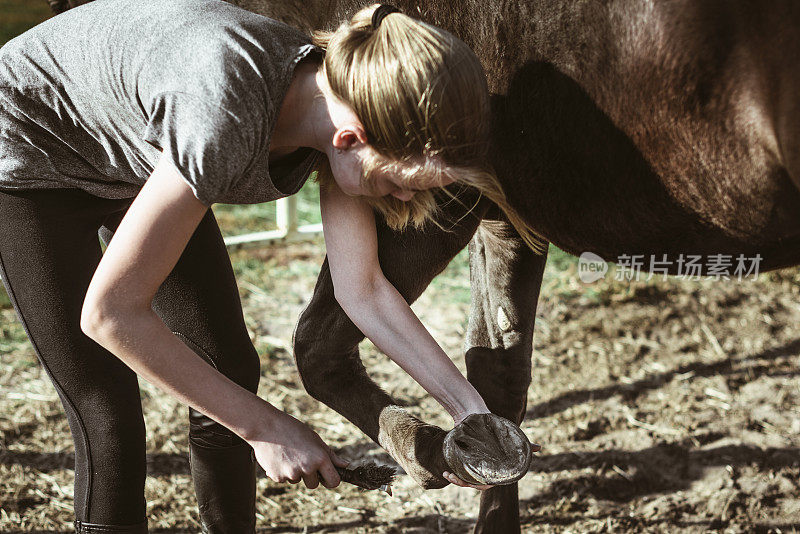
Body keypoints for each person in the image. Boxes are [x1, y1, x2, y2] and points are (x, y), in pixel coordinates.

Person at [0, 1, 540, 532]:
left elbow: (365, 291)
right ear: (352, 138)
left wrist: (468, 411)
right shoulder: (223, 118)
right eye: (400, 183)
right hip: (29, 157)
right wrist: (266, 428)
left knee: (229, 370)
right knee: (108, 414)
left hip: (136, 156)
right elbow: (111, 315)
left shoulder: (334, 112)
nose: (401, 199)